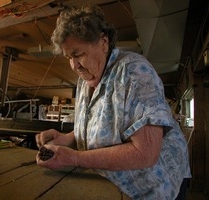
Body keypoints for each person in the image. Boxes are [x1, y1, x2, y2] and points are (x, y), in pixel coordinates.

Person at [35, 6, 191, 200]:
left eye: (78, 54)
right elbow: (101, 125)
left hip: (153, 187)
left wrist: (75, 158)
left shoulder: (134, 73)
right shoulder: (85, 81)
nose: (74, 65)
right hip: (112, 184)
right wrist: (67, 138)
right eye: (69, 58)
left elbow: (145, 153)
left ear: (103, 42)